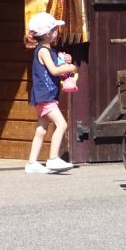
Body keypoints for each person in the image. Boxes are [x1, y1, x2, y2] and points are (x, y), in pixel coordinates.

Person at [24, 12, 77, 175]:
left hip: (43, 96)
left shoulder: (48, 50)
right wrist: (70, 68)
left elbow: (55, 64)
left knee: (42, 128)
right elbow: (54, 70)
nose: (57, 32)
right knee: (62, 124)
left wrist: (64, 59)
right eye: (55, 30)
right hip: (45, 96)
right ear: (47, 34)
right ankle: (53, 159)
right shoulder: (43, 51)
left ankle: (32, 162)